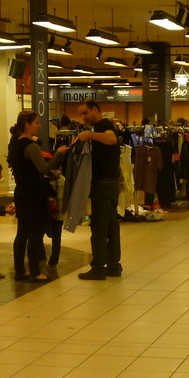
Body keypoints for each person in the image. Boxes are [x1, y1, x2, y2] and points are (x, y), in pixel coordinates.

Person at [8, 111, 66, 283]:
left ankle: (20, 270)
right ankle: (35, 272)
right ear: (27, 124)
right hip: (34, 194)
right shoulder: (31, 146)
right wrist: (59, 154)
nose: (40, 126)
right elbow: (45, 170)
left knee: (22, 234)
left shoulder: (15, 145)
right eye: (37, 122)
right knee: (34, 234)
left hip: (21, 192)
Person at [77, 100, 122, 279]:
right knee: (111, 226)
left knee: (99, 227)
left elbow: (112, 139)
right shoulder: (100, 127)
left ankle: (98, 267)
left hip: (103, 185)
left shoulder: (103, 125)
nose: (83, 117)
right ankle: (113, 265)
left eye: (85, 113)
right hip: (109, 184)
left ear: (95, 110)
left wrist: (89, 135)